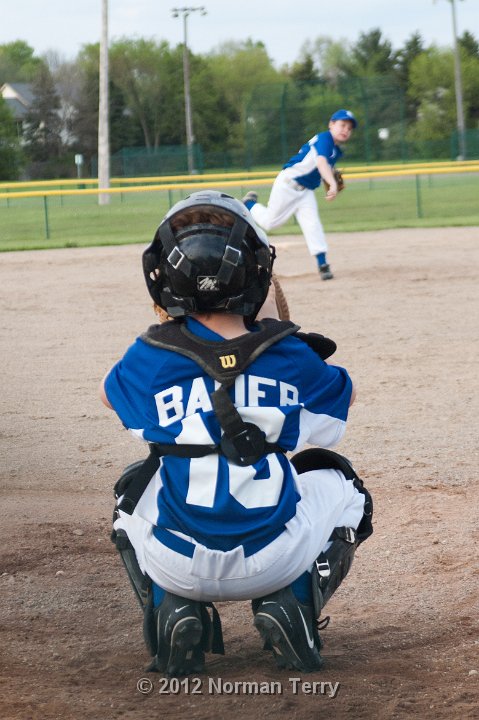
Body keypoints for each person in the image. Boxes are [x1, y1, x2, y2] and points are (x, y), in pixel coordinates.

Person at [99, 189, 373, 678]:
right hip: (274, 558)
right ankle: (294, 600)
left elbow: (109, 396)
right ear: (258, 272)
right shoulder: (289, 354)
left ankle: (169, 608)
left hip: (178, 563)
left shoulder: (150, 355)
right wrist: (276, 333)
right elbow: (342, 401)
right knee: (345, 484)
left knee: (130, 491)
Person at [243, 109, 357, 280]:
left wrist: (332, 175)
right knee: (270, 222)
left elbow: (326, 166)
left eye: (349, 128)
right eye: (342, 125)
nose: (345, 130)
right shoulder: (325, 138)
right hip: (288, 185)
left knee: (313, 225)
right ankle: (249, 204)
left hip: (305, 192)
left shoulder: (336, 149)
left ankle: (323, 265)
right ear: (331, 124)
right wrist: (332, 183)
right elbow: (321, 162)